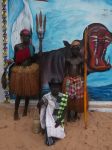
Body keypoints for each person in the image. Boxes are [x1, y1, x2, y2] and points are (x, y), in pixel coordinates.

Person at [10, 29, 39, 120]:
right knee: (19, 93)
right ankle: (15, 112)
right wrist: (19, 59)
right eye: (24, 36)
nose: (26, 38)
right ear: (21, 37)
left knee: (27, 91)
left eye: (27, 36)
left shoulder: (32, 47)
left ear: (29, 38)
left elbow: (32, 59)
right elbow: (15, 59)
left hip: (28, 70)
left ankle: (25, 109)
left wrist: (34, 58)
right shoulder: (17, 47)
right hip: (20, 70)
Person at [39, 79, 68, 146]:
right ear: (50, 88)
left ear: (60, 88)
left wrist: (60, 120)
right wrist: (40, 103)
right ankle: (48, 135)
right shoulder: (46, 97)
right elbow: (40, 107)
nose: (55, 89)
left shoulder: (63, 97)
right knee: (49, 139)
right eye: (53, 87)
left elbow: (64, 110)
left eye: (57, 87)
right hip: (49, 118)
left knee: (58, 133)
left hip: (58, 118)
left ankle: (52, 135)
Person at [63, 40, 84, 121]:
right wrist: (65, 79)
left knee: (77, 98)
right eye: (73, 49)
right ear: (71, 50)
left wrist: (81, 79)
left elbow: (81, 71)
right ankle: (68, 115)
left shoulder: (80, 60)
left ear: (79, 50)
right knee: (68, 97)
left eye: (77, 49)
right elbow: (65, 70)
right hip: (69, 79)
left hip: (78, 80)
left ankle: (75, 114)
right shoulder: (68, 60)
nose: (75, 51)